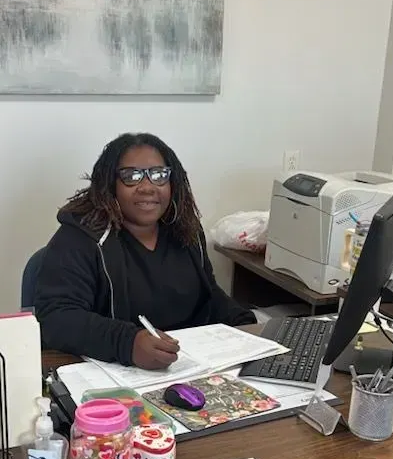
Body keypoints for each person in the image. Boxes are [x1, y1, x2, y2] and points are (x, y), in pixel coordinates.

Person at [35, 133, 256, 369]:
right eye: (131, 176)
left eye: (159, 175)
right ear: (111, 184)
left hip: (188, 365)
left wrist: (244, 325)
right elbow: (56, 318)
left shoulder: (185, 230)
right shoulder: (79, 238)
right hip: (113, 371)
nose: (148, 187)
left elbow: (208, 294)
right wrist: (128, 343)